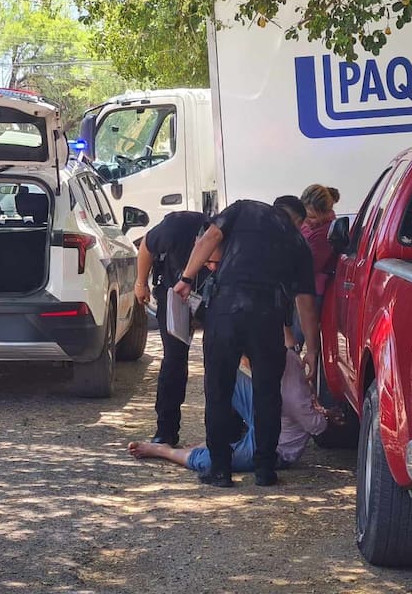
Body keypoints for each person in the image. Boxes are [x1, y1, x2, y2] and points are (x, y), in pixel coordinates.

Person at [173, 195, 319, 487]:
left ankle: (220, 469)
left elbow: (211, 237)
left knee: (219, 389)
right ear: (296, 220)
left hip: (227, 310)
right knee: (268, 394)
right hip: (268, 317)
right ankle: (265, 470)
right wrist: (312, 350)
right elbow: (305, 302)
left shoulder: (244, 209)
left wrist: (186, 278)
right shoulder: (298, 241)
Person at [127, 328, 340, 476]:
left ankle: (164, 451)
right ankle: (221, 437)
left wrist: (323, 415)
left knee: (209, 461)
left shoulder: (294, 397)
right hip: (265, 411)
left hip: (275, 446)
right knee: (222, 375)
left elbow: (317, 426)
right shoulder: (286, 356)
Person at [133, 210, 209, 446]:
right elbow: (146, 245)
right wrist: (140, 283)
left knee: (220, 360)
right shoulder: (175, 228)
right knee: (174, 360)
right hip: (173, 293)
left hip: (211, 296)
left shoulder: (224, 236)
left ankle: (228, 430)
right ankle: (166, 430)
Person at [294, 184, 339, 349]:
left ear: (325, 213)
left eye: (312, 217)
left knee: (296, 337)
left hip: (312, 290)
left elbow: (310, 265)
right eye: (304, 216)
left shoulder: (325, 233)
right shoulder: (310, 225)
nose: (307, 221)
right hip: (300, 286)